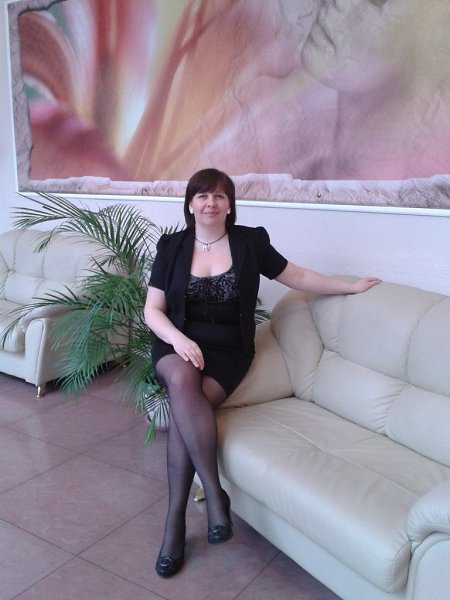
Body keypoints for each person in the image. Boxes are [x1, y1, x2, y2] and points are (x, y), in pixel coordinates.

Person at [144, 168, 380, 578]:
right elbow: (153, 310)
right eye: (202, 196)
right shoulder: (172, 246)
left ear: (230, 204)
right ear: (190, 204)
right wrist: (179, 341)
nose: (211, 203)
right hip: (176, 344)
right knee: (181, 381)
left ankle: (176, 524)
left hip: (228, 352)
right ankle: (212, 497)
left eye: (219, 196)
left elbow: (298, 276)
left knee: (185, 412)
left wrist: (349, 287)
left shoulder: (249, 242)